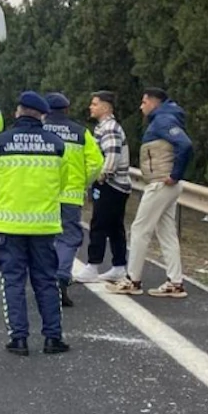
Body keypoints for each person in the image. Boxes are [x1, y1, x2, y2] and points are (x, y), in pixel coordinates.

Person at [0, 91, 72, 355]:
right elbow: (63, 182)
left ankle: (19, 339)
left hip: (9, 225)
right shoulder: (57, 143)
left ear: (18, 111)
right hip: (44, 226)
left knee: (13, 281)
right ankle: (53, 338)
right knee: (46, 281)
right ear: (42, 114)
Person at [106, 87, 193, 298]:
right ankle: (175, 282)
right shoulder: (166, 118)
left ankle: (132, 280)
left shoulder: (163, 120)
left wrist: (175, 174)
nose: (141, 106)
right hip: (165, 184)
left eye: (144, 102)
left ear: (154, 102)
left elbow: (185, 144)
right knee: (166, 232)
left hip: (160, 183)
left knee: (140, 229)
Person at [40, 92, 103, 306]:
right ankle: (61, 277)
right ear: (67, 109)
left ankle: (45, 283)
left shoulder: (37, 131)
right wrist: (83, 182)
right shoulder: (81, 133)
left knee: (43, 240)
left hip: (42, 195)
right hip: (70, 196)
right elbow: (96, 163)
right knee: (68, 239)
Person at [74, 91, 131, 284]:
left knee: (98, 224)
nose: (91, 107)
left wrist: (101, 177)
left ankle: (93, 265)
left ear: (106, 107)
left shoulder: (109, 128)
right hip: (116, 185)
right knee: (115, 227)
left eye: (95, 104)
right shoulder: (104, 127)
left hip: (111, 185)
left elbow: (112, 156)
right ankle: (119, 266)